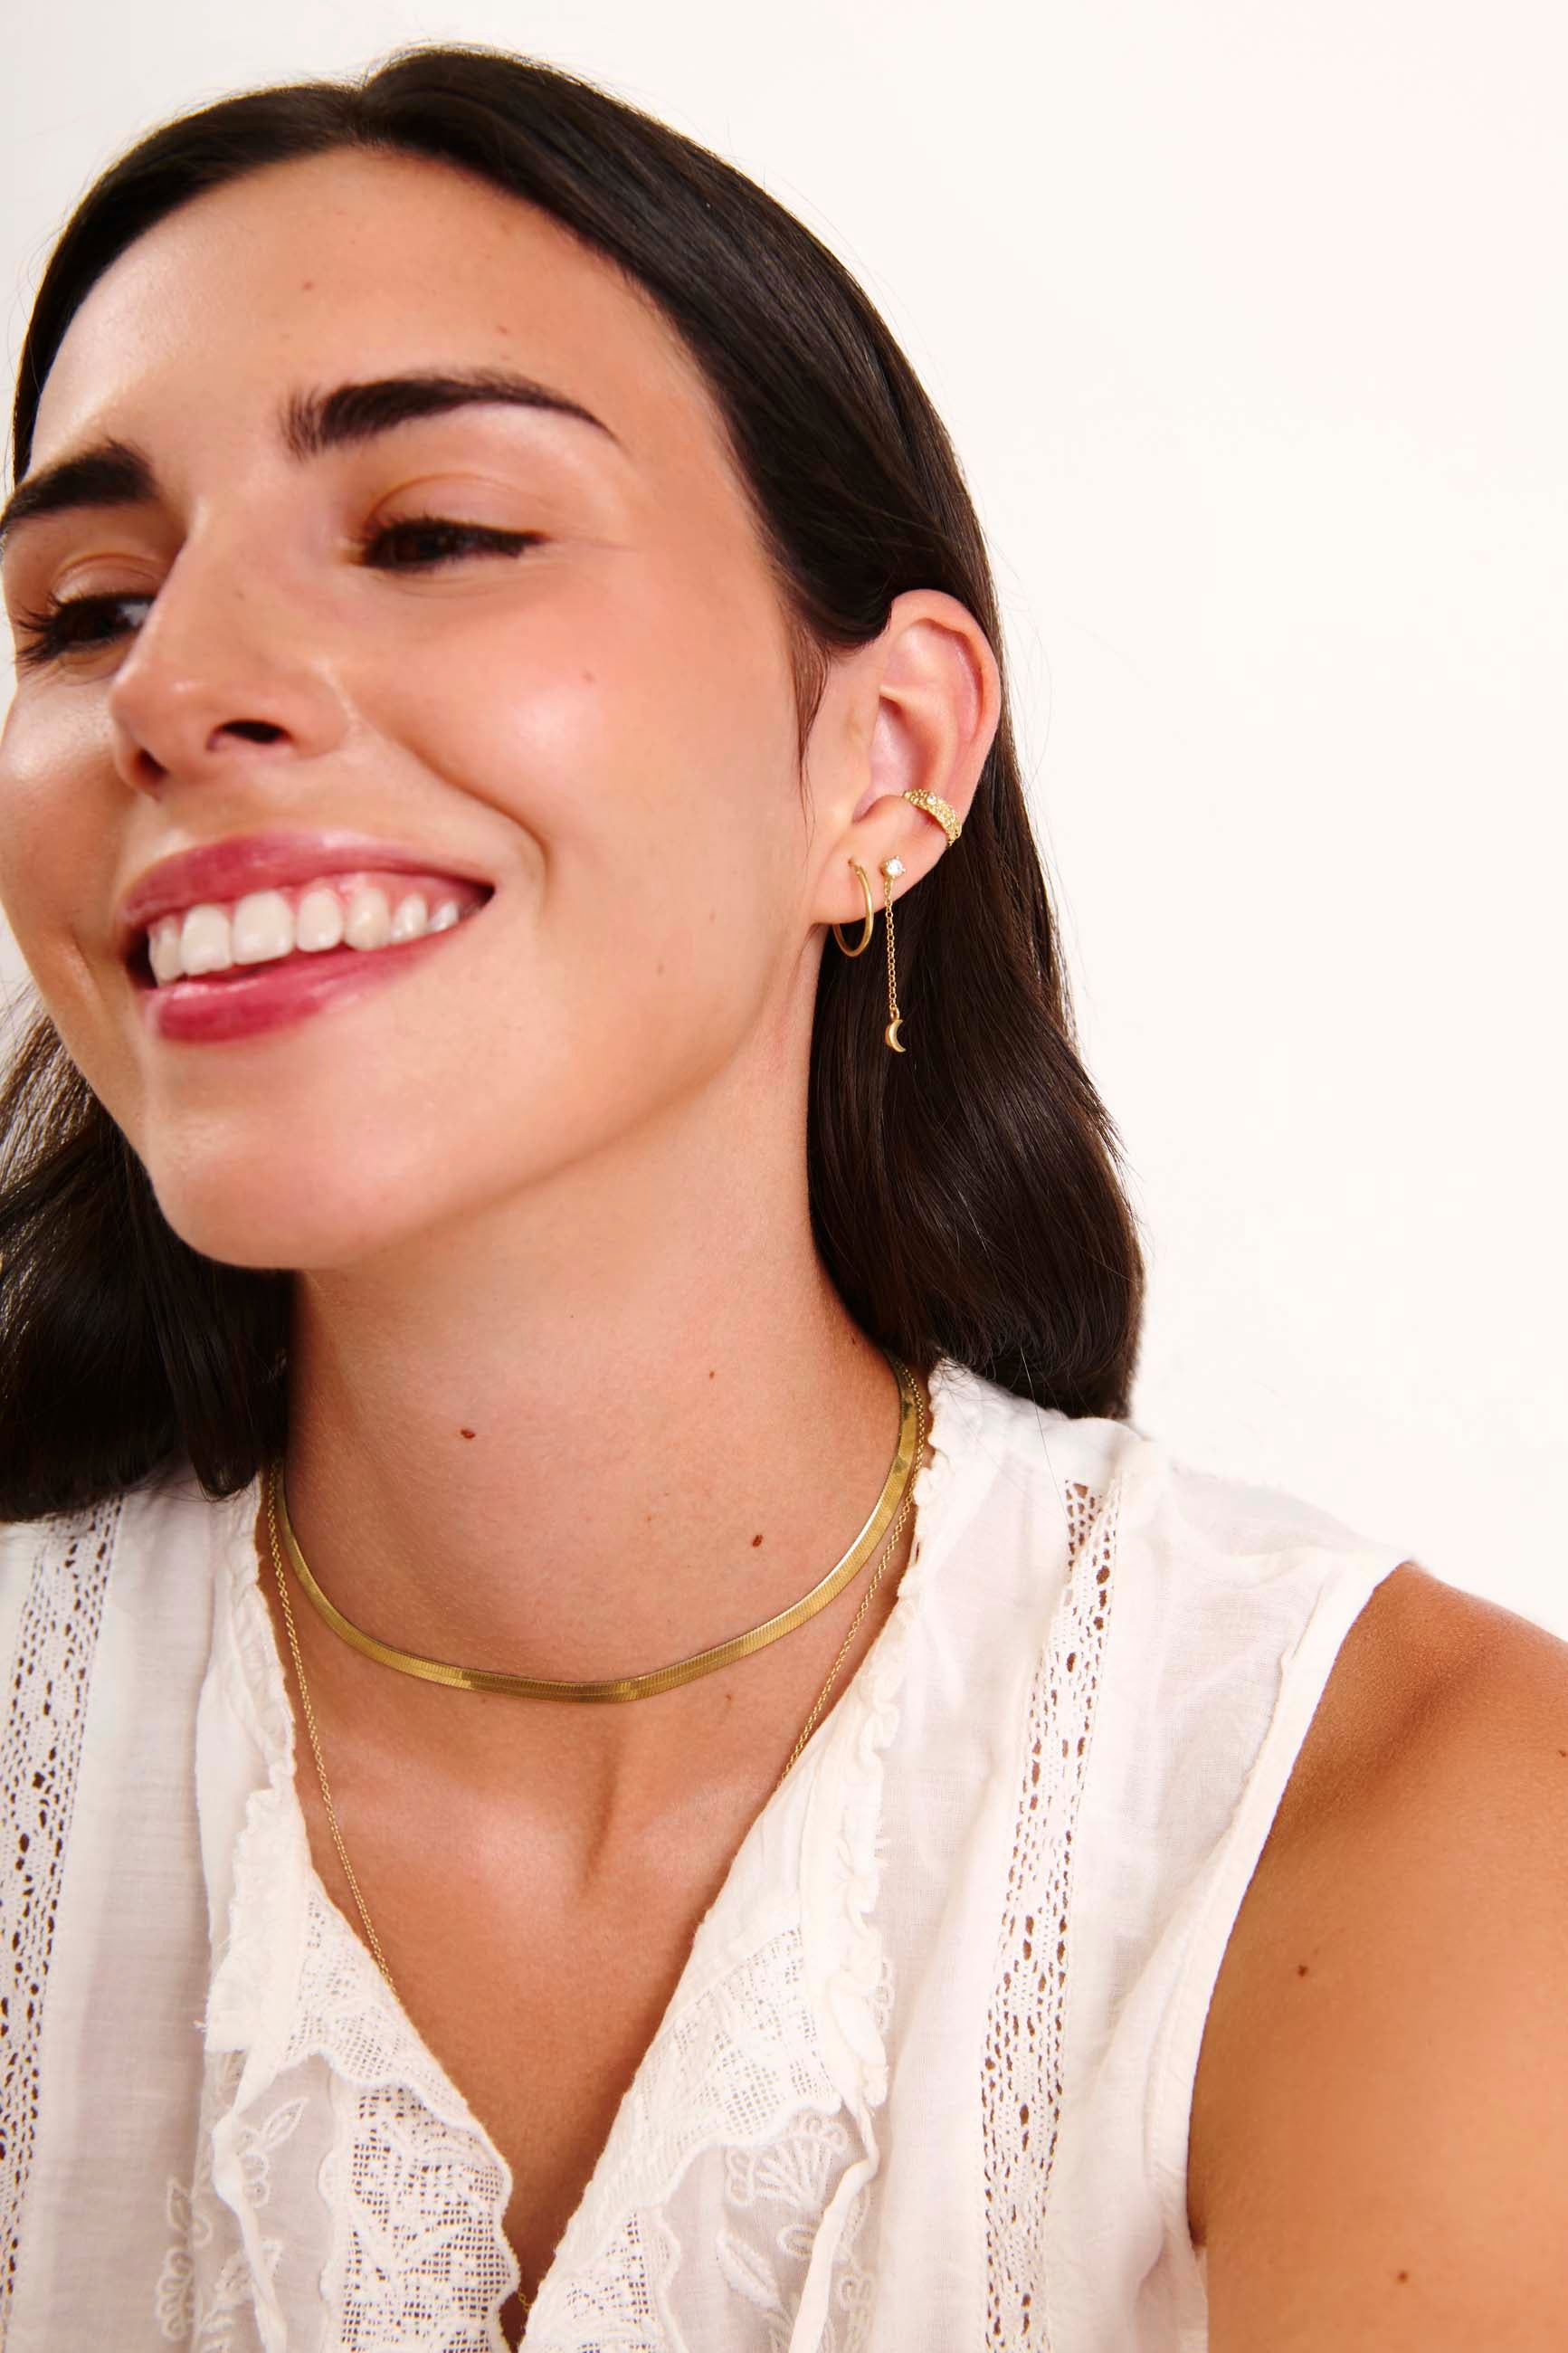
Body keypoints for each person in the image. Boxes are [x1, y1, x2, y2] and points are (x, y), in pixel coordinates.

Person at [0, 43, 1563, 2353]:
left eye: (435, 532)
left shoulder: (1409, 1817)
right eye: (81, 607)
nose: (177, 684)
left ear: (886, 760)